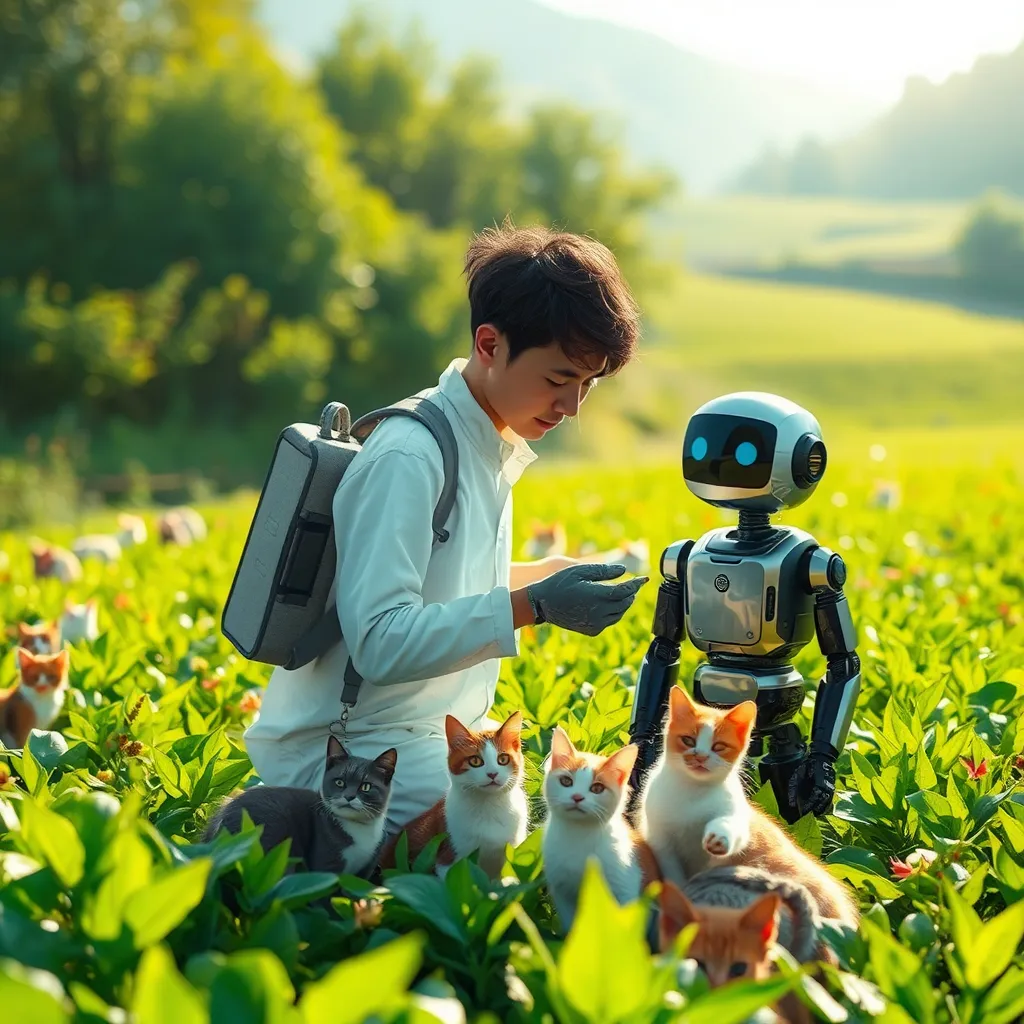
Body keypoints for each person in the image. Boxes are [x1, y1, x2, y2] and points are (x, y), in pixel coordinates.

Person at [244, 221, 649, 831]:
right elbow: (379, 637)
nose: (571, 408)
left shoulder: (485, 442)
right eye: (559, 379)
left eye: (587, 385)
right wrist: (532, 605)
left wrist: (549, 578)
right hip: (351, 752)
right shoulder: (412, 455)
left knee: (575, 808)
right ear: (489, 345)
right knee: (529, 831)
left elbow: (438, 578)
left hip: (421, 737)